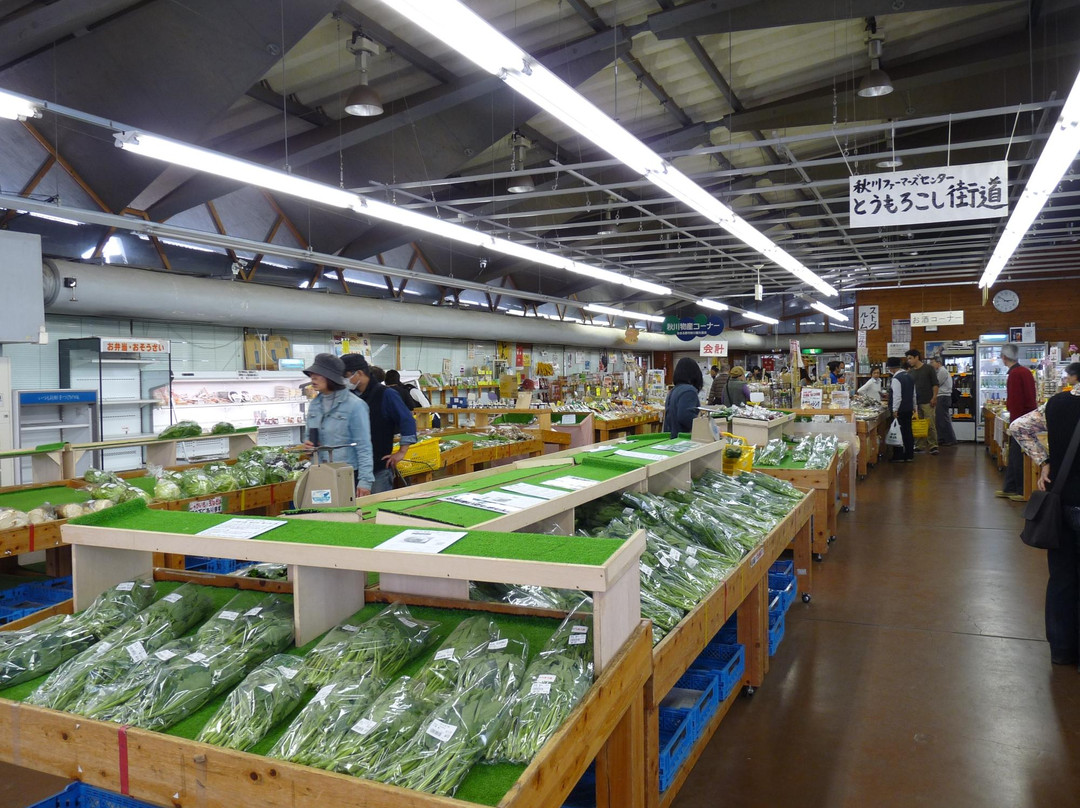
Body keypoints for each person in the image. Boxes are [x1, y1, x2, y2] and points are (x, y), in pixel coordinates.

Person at [1009, 362, 1080, 667]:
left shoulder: (1059, 403)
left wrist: (1045, 460)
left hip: (1065, 503)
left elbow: (1018, 427)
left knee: (1063, 577)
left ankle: (1062, 649)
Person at [341, 354, 418, 494]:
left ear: (359, 373)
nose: (344, 380)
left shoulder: (386, 394)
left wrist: (402, 452)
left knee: (376, 510)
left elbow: (407, 420)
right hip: (349, 469)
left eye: (346, 376)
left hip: (378, 468)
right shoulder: (349, 396)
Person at [302, 353, 374, 496]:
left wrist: (365, 481)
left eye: (318, 374)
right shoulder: (314, 405)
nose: (312, 378)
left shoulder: (355, 405)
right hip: (320, 472)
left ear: (330, 376)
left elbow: (364, 446)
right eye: (312, 374)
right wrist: (308, 446)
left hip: (347, 474)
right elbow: (308, 437)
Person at [997, 342, 1039, 500]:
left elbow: (1015, 401)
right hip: (1027, 417)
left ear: (1004, 357)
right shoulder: (1025, 371)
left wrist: (1014, 422)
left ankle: (1021, 489)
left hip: (1020, 419)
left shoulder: (1015, 374)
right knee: (1015, 453)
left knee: (1018, 455)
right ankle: (1010, 487)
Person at [905, 349, 939, 454]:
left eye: (910, 358)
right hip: (916, 403)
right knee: (918, 424)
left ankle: (933, 446)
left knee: (930, 424)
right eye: (908, 359)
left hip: (928, 401)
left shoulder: (929, 369)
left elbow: (935, 384)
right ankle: (920, 445)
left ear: (916, 357)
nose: (909, 361)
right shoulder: (910, 372)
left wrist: (934, 397)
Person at [662, 357, 703, 437]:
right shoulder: (689, 391)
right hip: (682, 439)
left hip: (670, 438)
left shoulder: (673, 390)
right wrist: (704, 426)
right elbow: (685, 416)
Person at [887, 355, 916, 463]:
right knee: (908, 432)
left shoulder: (896, 379)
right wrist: (914, 406)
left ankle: (898, 455)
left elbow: (897, 396)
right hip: (908, 408)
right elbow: (914, 394)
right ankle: (909, 455)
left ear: (891, 368)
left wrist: (895, 410)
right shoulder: (909, 376)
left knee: (898, 432)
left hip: (900, 410)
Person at [930, 355, 957, 446]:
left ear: (939, 363)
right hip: (941, 396)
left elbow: (936, 383)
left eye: (932, 362)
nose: (931, 365)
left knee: (944, 419)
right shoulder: (939, 371)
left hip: (943, 396)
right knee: (939, 419)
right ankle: (942, 438)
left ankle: (950, 439)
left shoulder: (942, 371)